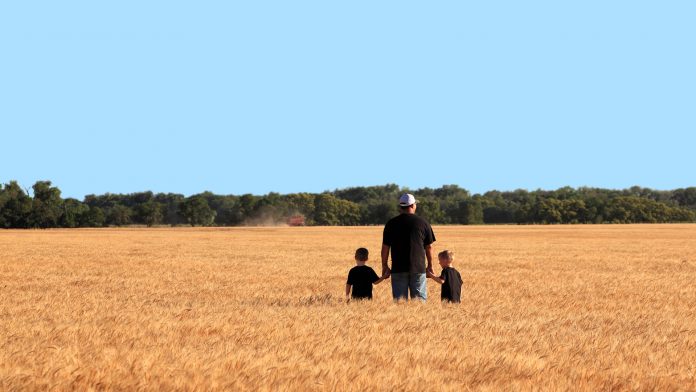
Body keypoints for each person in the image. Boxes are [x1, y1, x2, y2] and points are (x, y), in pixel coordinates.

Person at [381, 193, 436, 301]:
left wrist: (384, 265)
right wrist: (430, 265)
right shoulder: (423, 223)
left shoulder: (391, 223)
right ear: (412, 205)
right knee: (419, 303)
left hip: (398, 268)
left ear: (401, 207)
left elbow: (385, 248)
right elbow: (428, 247)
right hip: (418, 268)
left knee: (400, 302)